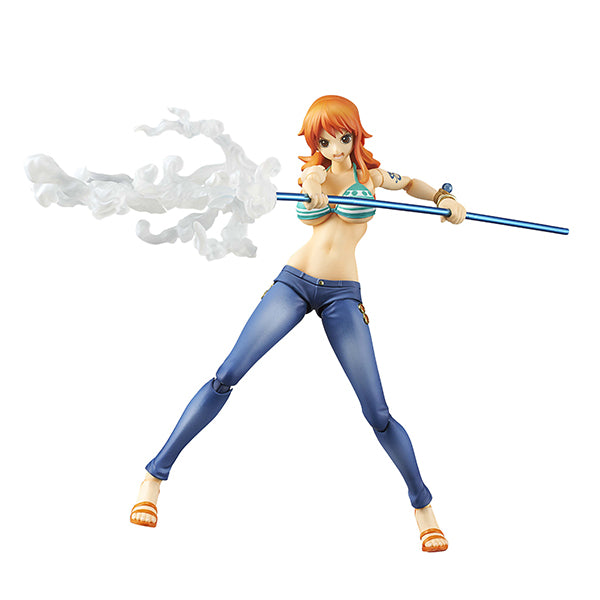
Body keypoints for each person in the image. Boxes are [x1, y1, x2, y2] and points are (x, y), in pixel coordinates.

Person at [130, 95, 466, 552]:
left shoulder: (370, 177)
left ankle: (422, 506)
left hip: (343, 294)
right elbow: (311, 177)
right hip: (294, 282)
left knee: (377, 412)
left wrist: (444, 198)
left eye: (342, 138)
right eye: (324, 141)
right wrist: (311, 184)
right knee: (226, 374)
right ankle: (154, 476)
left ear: (354, 134)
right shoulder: (317, 173)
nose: (334, 148)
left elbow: (409, 185)